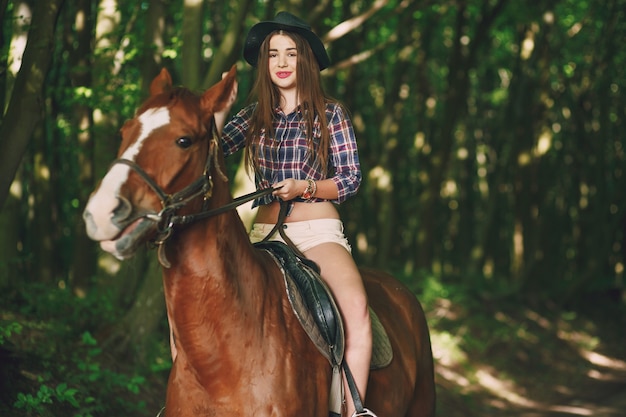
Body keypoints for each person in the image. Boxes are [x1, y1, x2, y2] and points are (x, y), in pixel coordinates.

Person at [215, 11, 373, 417]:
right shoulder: (252, 116)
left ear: (306, 61)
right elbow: (209, 148)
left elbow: (351, 179)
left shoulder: (330, 114)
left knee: (354, 306)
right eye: (272, 55)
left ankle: (352, 411)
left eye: (290, 54)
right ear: (264, 64)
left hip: (318, 231)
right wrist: (217, 108)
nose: (282, 63)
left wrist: (305, 187)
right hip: (263, 234)